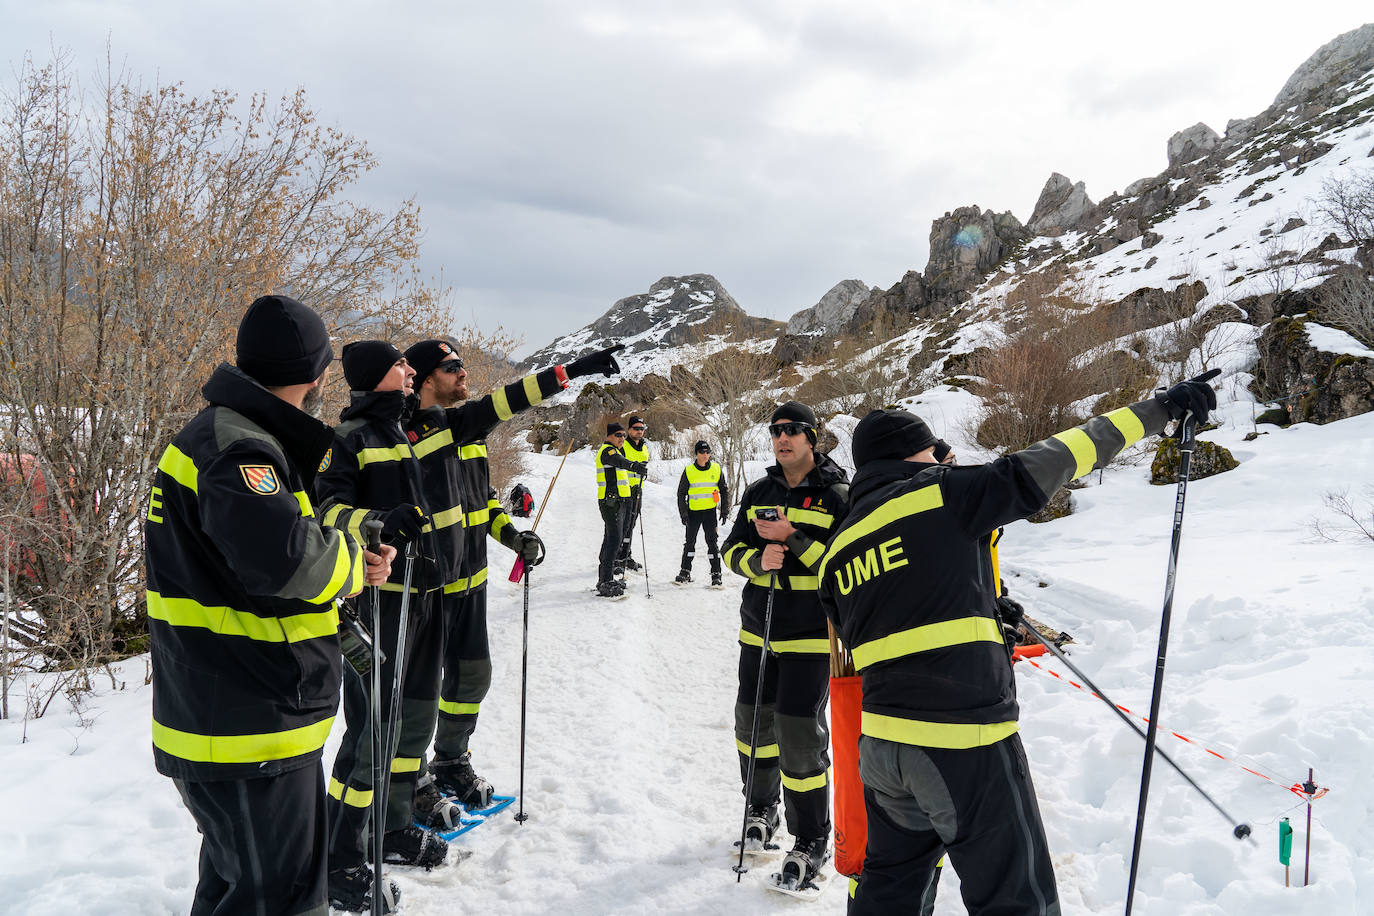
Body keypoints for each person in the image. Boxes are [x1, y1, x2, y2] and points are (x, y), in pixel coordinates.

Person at [818, 377, 1217, 915]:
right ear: (913, 455)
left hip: (882, 748)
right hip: (963, 740)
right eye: (932, 450)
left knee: (891, 888)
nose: (942, 456)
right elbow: (1064, 453)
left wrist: (976, 603)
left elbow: (890, 617)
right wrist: (1161, 409)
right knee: (1014, 895)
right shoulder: (944, 493)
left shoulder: (838, 550)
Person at [145, 295, 385, 916]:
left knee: (236, 887)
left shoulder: (228, 433)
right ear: (318, 374)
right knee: (279, 900)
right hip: (249, 726)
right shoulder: (240, 447)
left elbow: (262, 556)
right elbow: (283, 560)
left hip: (233, 718)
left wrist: (345, 556)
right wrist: (355, 564)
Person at [402, 339, 623, 802]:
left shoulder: (470, 437)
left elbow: (481, 505)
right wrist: (576, 369)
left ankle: (451, 760)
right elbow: (510, 399)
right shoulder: (411, 435)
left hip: (472, 584)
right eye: (451, 368)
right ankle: (409, 780)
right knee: (417, 696)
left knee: (472, 678)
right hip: (426, 591)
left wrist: (512, 537)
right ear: (424, 380)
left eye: (463, 364)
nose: (463, 373)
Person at [316, 341, 457, 911]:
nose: (408, 372)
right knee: (371, 729)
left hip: (418, 594)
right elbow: (325, 511)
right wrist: (377, 520)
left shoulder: (399, 430)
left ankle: (389, 826)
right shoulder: (349, 438)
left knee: (403, 725)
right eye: (400, 365)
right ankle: (341, 855)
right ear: (378, 378)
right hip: (376, 598)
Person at [721, 400, 850, 883]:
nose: (783, 437)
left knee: (798, 734)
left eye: (793, 429)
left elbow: (842, 565)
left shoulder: (838, 495)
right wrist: (757, 563)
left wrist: (793, 537)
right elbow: (731, 549)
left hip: (811, 636)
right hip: (758, 630)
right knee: (752, 725)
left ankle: (813, 835)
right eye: (776, 430)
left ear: (812, 437)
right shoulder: (760, 491)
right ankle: (760, 810)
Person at [595, 422, 646, 597]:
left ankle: (604, 578)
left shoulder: (616, 450)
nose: (622, 438)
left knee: (612, 538)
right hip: (611, 502)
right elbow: (619, 462)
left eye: (624, 435)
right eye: (618, 435)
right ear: (609, 436)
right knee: (614, 540)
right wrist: (633, 466)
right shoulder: (607, 451)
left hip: (620, 501)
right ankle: (606, 581)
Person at [674, 439, 731, 587]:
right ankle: (685, 571)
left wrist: (725, 510)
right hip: (693, 513)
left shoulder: (716, 469)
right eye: (701, 452)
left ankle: (716, 574)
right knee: (690, 543)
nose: (705, 455)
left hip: (710, 513)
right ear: (696, 453)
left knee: (712, 543)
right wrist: (683, 514)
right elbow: (681, 494)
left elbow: (724, 490)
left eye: (707, 452)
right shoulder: (689, 471)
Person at [618, 414, 650, 572]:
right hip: (623, 491)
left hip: (638, 490)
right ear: (629, 429)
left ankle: (626, 555)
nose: (639, 431)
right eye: (636, 428)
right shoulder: (623, 446)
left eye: (641, 428)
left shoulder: (644, 447)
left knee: (631, 525)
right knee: (621, 525)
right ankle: (617, 558)